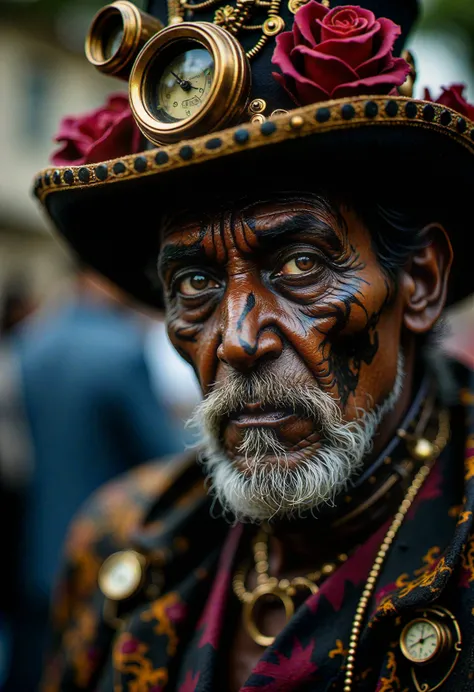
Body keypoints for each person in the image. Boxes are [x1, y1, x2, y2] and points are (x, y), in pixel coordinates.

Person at [32, 0, 474, 689]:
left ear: (418, 282)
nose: (238, 341)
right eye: (197, 282)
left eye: (300, 265)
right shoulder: (115, 541)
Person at [0, 267, 185, 692]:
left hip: (35, 553)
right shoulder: (119, 350)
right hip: (107, 558)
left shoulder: (32, 341)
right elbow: (164, 454)